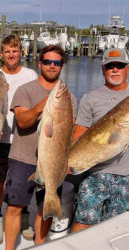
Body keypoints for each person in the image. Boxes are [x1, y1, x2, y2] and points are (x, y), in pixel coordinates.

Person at [3, 45, 77, 250]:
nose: (52, 66)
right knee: (15, 207)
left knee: (44, 209)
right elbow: (23, 121)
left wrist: (67, 161)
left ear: (62, 66)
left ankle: (39, 246)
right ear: (40, 63)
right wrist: (41, 106)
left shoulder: (68, 97)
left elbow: (67, 134)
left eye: (57, 63)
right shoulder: (25, 90)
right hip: (23, 158)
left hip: (53, 162)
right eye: (48, 62)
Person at [71, 48, 129, 232]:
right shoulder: (90, 98)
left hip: (127, 175)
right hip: (94, 174)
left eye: (120, 65)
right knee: (84, 223)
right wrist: (68, 161)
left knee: (117, 229)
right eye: (110, 66)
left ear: (127, 68)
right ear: (103, 69)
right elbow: (79, 133)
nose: (115, 69)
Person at [0, 34, 38, 245]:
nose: (11, 55)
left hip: (25, 138)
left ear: (21, 53)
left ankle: (25, 216)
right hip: (1, 138)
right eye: (7, 51)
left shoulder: (30, 74)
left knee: (26, 180)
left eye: (15, 51)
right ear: (2, 54)